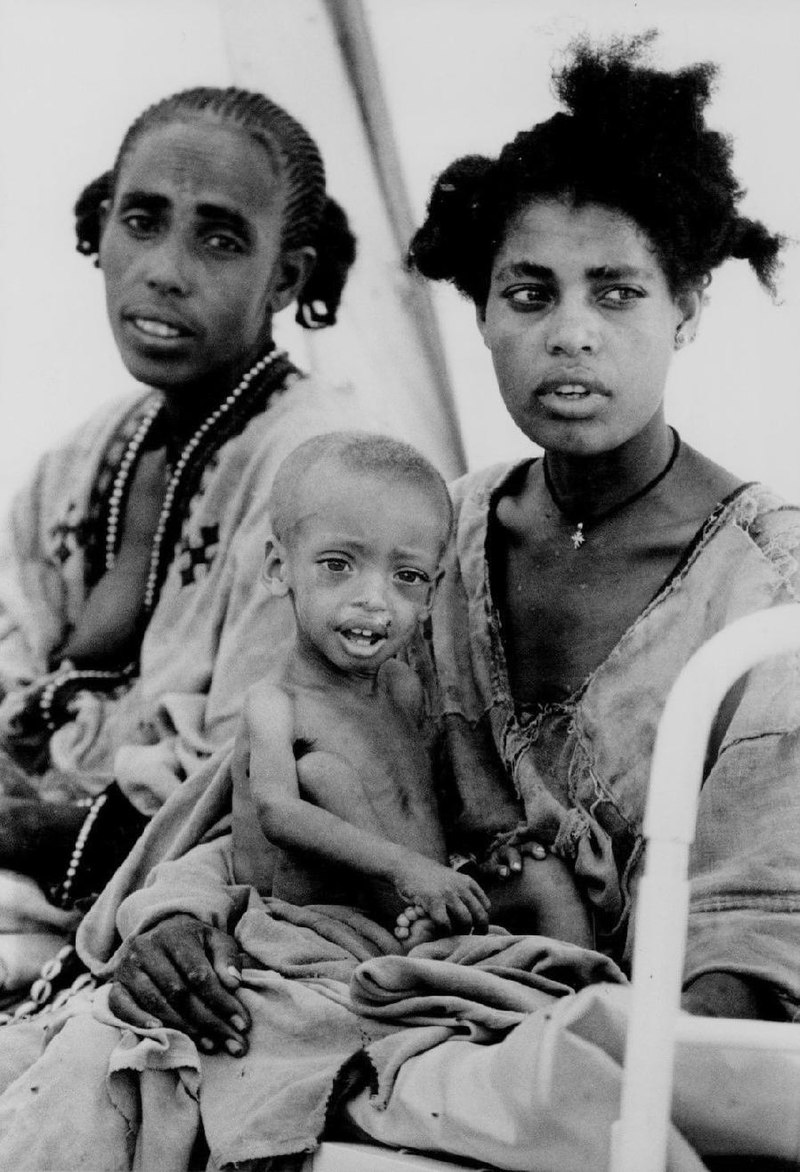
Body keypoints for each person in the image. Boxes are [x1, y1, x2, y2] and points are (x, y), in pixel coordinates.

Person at [0, 36, 798, 1172]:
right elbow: (268, 781)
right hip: (367, 987)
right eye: (527, 292)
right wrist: (175, 916)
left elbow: (749, 965)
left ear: (687, 307)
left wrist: (549, 1021)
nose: (569, 331)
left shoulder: (769, 589)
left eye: (615, 290)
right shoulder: (421, 540)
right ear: (479, 314)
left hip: (595, 1051)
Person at [0, 84, 363, 999]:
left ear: (286, 278)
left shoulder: (322, 475)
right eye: (142, 221)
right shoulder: (83, 455)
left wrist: (30, 828)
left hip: (166, 908)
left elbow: (256, 781)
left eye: (220, 238)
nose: (165, 269)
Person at [232, 430, 591, 948]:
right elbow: (277, 811)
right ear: (277, 568)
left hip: (426, 894)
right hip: (331, 923)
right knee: (321, 773)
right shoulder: (275, 704)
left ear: (432, 590)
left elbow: (424, 799)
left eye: (407, 576)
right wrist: (406, 871)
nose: (374, 600)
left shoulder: (402, 686)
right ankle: (418, 941)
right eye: (338, 565)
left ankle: (583, 1006)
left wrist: (483, 852)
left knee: (547, 877)